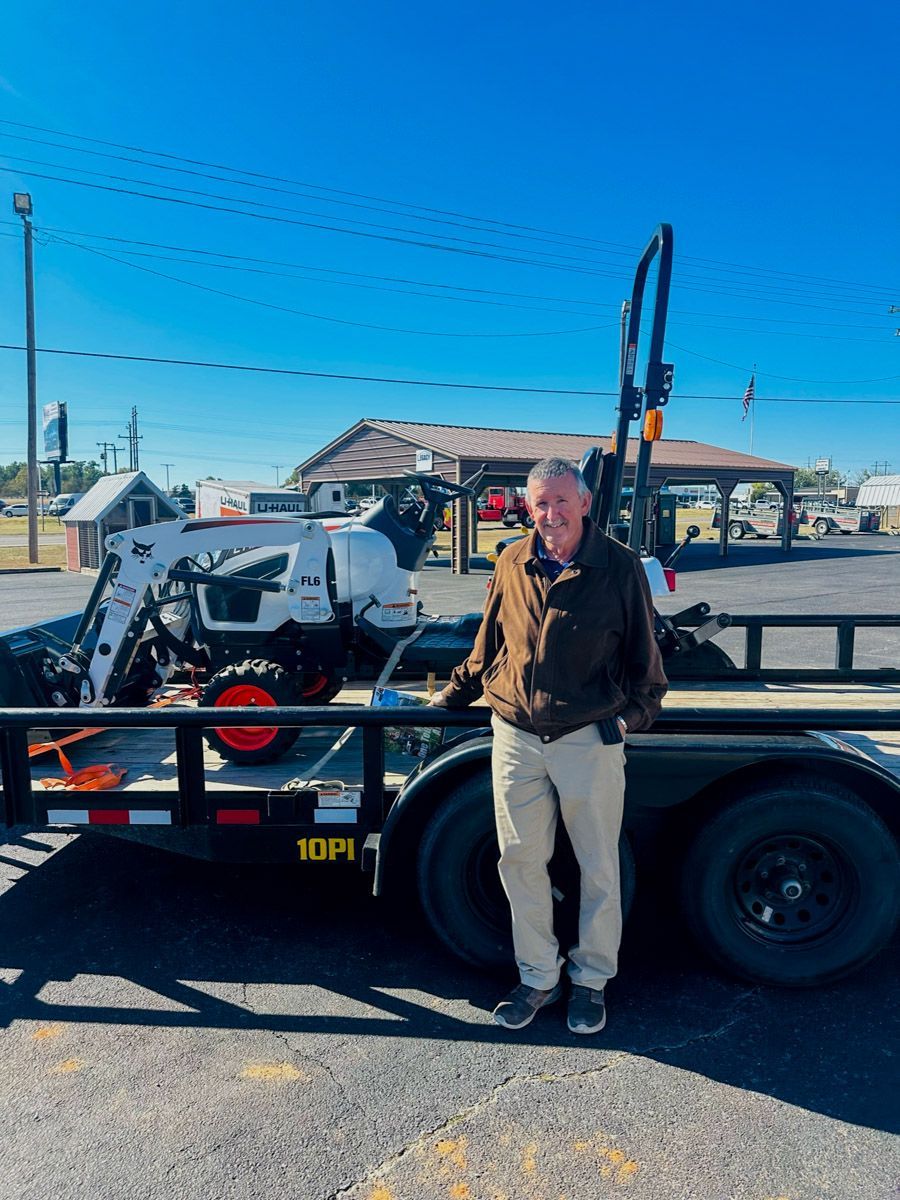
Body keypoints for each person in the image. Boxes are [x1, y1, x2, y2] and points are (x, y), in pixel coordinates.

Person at [430, 457, 667, 1034]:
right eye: (541, 502)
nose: (551, 514)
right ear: (527, 506)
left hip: (588, 735)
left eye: (562, 501)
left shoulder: (617, 565)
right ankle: (538, 976)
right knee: (518, 859)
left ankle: (590, 980)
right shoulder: (512, 558)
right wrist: (451, 699)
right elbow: (489, 640)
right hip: (515, 734)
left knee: (597, 864)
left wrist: (631, 719)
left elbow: (644, 659)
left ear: (585, 503)